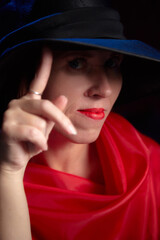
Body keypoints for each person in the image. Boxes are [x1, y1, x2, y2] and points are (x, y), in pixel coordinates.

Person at [0, 1, 160, 239]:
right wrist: (8, 174)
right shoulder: (4, 173)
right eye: (77, 63)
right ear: (28, 75)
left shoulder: (149, 159)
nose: (103, 89)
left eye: (111, 63)